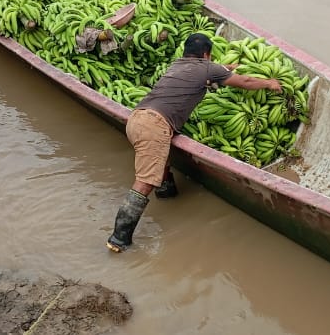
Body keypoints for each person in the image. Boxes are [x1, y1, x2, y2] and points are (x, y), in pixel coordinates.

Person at [106, 33, 282, 253]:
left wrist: (223, 69)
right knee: (145, 181)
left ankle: (167, 194)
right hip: (155, 125)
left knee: (162, 159)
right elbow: (245, 82)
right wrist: (269, 83)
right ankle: (118, 239)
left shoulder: (178, 66)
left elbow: (207, 73)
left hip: (137, 118)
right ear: (207, 54)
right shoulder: (207, 68)